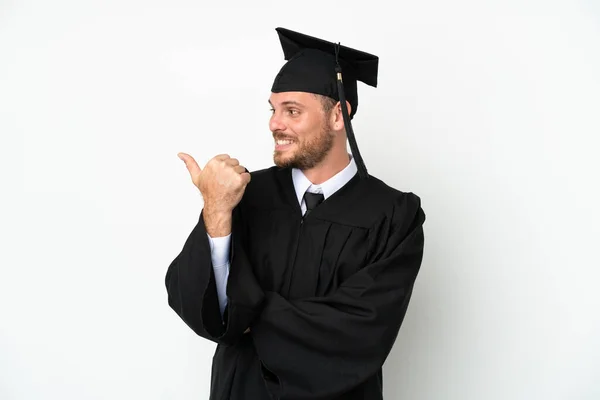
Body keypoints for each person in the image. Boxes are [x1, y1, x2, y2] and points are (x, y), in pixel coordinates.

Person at [165, 27, 426, 400]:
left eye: (292, 111)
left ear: (339, 115)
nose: (275, 123)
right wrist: (216, 211)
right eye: (273, 110)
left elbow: (359, 331)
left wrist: (248, 314)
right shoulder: (241, 194)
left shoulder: (393, 215)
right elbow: (199, 305)